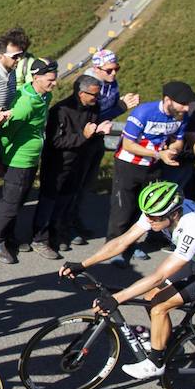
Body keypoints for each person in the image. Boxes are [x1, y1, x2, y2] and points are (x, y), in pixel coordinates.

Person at [62, 181, 195, 380]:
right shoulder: (157, 211)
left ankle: (156, 363)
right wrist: (83, 264)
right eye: (147, 215)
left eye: (154, 218)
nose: (149, 221)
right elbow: (123, 241)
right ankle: (167, 344)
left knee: (160, 305)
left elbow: (159, 276)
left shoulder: (194, 227)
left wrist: (118, 298)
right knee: (151, 296)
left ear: (174, 213)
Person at [104, 81, 195, 266]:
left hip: (154, 166)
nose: (186, 108)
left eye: (188, 104)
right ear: (168, 100)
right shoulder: (144, 112)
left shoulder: (181, 116)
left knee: (145, 207)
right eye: (182, 103)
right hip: (129, 164)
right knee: (123, 208)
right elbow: (128, 144)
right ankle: (115, 247)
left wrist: (173, 151)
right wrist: (158, 153)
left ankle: (133, 242)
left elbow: (178, 140)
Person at [0, 57, 58, 264]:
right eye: (49, 80)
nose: (54, 83)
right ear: (36, 78)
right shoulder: (25, 104)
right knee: (10, 203)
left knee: (19, 201)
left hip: (31, 159)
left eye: (54, 79)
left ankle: (10, 237)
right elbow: (6, 133)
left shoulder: (43, 96)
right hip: (19, 160)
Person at [69, 49, 138, 246]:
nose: (113, 73)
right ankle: (66, 225)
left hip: (98, 137)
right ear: (96, 68)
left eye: (116, 69)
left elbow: (106, 112)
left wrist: (119, 108)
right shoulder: (88, 84)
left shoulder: (111, 83)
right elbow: (88, 116)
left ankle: (75, 219)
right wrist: (121, 108)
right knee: (75, 184)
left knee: (86, 183)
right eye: (108, 70)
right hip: (84, 137)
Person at [30, 75, 102, 260]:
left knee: (66, 200)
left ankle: (57, 233)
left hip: (79, 163)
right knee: (49, 201)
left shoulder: (94, 107)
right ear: (81, 93)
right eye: (93, 95)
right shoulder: (60, 111)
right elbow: (56, 141)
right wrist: (84, 137)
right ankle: (40, 238)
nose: (97, 98)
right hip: (58, 164)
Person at [0, 28, 31, 112]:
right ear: (1, 57)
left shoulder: (12, 70)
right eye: (14, 56)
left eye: (20, 55)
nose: (19, 59)